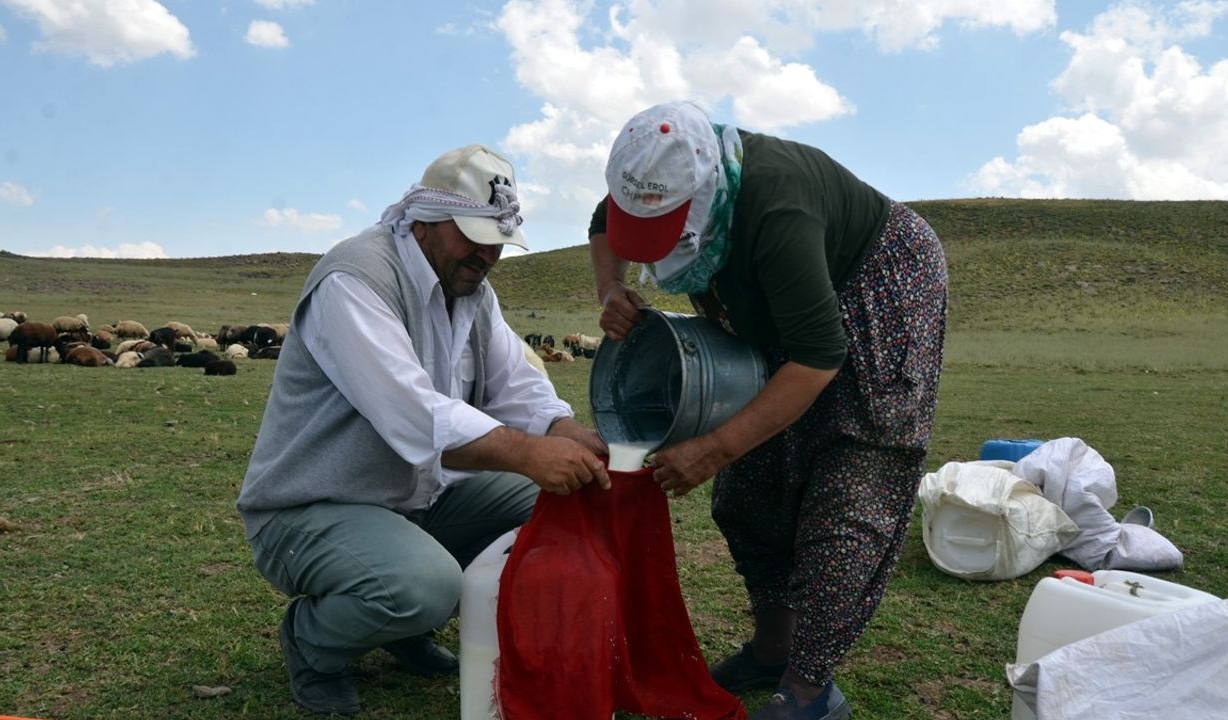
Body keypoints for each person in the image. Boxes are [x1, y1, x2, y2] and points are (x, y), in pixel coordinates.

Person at [588, 102, 947, 720]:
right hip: (787, 290)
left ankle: (809, 687)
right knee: (749, 489)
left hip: (877, 285)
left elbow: (815, 357)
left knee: (848, 492)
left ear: (702, 195)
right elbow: (604, 225)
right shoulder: (648, 177)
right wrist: (611, 288)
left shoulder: (778, 204)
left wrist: (714, 446)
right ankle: (773, 646)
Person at [239, 144, 611, 716]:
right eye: (473, 234)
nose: (487, 252)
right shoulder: (356, 279)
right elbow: (413, 414)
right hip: (310, 507)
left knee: (555, 500)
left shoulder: (471, 291)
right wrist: (528, 451)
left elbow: (514, 382)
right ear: (425, 220)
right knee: (426, 587)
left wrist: (563, 428)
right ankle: (312, 641)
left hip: (411, 497)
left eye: (497, 239)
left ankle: (401, 629)